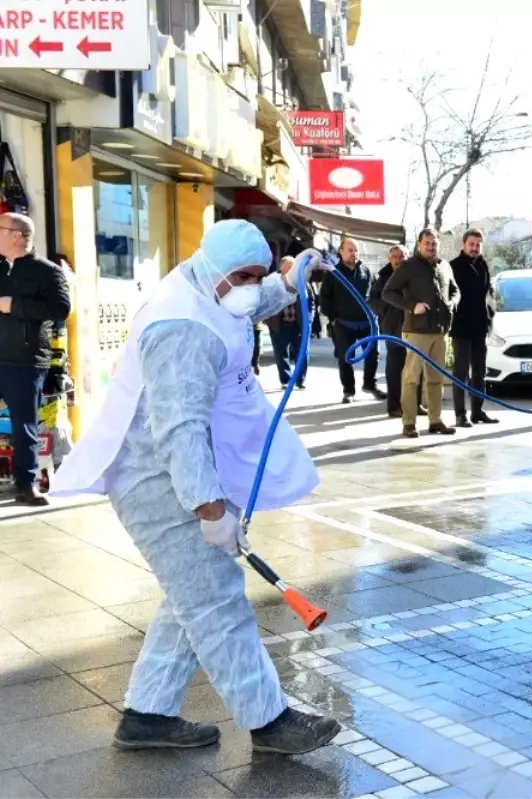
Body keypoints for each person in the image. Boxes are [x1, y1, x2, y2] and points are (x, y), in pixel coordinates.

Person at [50, 220, 341, 755]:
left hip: (179, 471)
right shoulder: (180, 330)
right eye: (245, 276)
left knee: (193, 593)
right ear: (217, 270)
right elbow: (177, 430)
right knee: (217, 601)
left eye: (258, 274)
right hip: (156, 479)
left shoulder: (206, 284)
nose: (252, 286)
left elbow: (247, 303)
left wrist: (290, 280)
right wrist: (210, 510)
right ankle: (270, 723)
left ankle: (147, 714)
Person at [0, 213, 71, 505]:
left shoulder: (48, 271)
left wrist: (14, 305)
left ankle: (26, 486)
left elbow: (61, 308)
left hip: (26, 362)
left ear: (16, 235)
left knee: (24, 427)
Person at [383, 228, 458, 439]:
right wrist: (411, 305)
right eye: (427, 243)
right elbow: (388, 293)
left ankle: (435, 420)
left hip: (439, 331)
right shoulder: (408, 266)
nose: (431, 247)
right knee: (411, 378)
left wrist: (452, 303)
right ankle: (408, 423)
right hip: (416, 331)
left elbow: (454, 290)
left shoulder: (445, 266)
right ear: (419, 245)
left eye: (434, 243)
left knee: (436, 379)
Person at [319, 237, 386, 404]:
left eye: (356, 250)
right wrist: (333, 318)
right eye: (350, 250)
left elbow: (377, 293)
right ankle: (348, 390)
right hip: (344, 324)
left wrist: (376, 312)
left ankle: (370, 385)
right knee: (345, 357)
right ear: (341, 252)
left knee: (372, 355)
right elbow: (324, 299)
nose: (354, 253)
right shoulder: (333, 273)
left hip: (367, 322)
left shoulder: (366, 271)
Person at [367, 245, 425, 418]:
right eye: (395, 257)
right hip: (392, 327)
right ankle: (394, 406)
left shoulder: (414, 273)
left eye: (402, 257)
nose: (399, 260)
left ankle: (415, 404)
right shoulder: (383, 277)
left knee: (415, 367)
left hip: (414, 327)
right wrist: (387, 308)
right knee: (395, 368)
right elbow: (373, 301)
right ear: (390, 258)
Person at [448, 229, 498, 428]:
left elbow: (488, 294)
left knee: (479, 372)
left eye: (478, 244)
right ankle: (461, 415)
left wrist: (490, 313)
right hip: (461, 327)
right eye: (472, 244)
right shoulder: (453, 266)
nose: (475, 248)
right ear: (464, 244)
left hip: (480, 326)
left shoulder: (483, 265)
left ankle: (477, 411)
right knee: (460, 373)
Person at [263, 255, 312, 389]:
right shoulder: (272, 282)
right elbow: (264, 302)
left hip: (298, 325)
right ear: (282, 268)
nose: (293, 270)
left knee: (302, 352)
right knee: (281, 354)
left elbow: (311, 302)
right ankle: (286, 380)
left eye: (294, 267)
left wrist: (309, 319)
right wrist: (268, 320)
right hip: (279, 325)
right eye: (290, 267)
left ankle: (300, 379)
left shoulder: (302, 282)